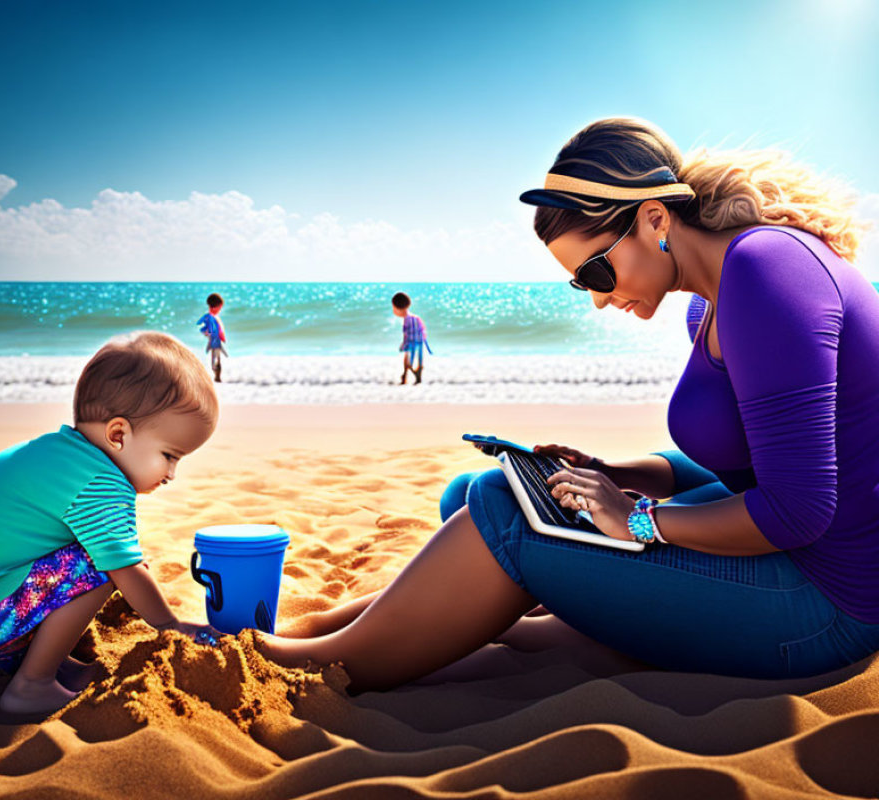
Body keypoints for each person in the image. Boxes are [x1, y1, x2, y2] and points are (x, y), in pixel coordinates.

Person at [257, 117, 879, 692]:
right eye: (583, 283)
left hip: (825, 603)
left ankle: (318, 662)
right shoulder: (713, 298)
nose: (599, 300)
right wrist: (617, 474)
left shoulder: (764, 272)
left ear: (655, 220)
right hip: (785, 556)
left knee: (504, 514)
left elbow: (799, 509)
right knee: (479, 494)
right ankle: (343, 628)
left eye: (598, 273)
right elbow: (754, 462)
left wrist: (638, 520)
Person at [0, 331, 220, 714]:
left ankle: (51, 661)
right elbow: (125, 568)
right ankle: (32, 684)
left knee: (91, 554)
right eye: (169, 455)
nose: (172, 474)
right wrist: (170, 625)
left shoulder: (59, 454)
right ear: (118, 434)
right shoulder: (101, 481)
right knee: (101, 565)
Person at [392, 291, 432, 384]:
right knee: (417, 358)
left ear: (397, 309)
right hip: (420, 341)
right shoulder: (416, 317)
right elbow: (423, 328)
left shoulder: (406, 320)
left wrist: (403, 343)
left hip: (411, 342)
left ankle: (408, 375)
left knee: (407, 359)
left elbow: (406, 333)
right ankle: (413, 374)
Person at [198, 292, 227, 382]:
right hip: (215, 342)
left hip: (216, 341)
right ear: (216, 307)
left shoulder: (212, 316)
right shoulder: (211, 317)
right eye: (220, 308)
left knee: (216, 359)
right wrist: (208, 333)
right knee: (216, 360)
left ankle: (217, 377)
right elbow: (205, 329)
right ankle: (217, 377)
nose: (220, 310)